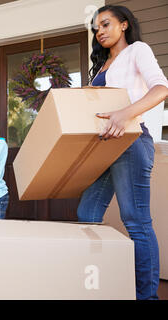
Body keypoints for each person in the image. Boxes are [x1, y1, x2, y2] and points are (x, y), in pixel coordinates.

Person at [77, 5, 168, 300]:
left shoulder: (137, 50)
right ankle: (98, 284)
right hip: (104, 147)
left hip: (131, 141)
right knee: (87, 213)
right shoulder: (102, 66)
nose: (100, 31)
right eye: (96, 28)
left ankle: (147, 296)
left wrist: (125, 114)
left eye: (105, 24)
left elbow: (161, 89)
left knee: (135, 220)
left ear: (124, 25)